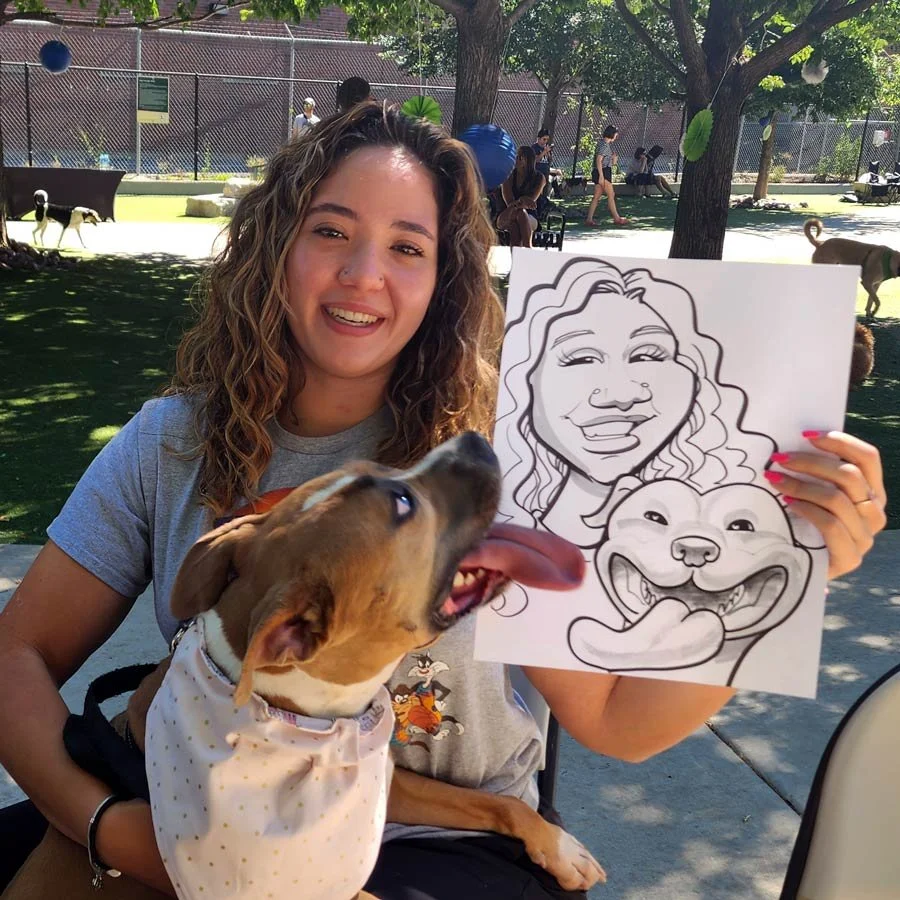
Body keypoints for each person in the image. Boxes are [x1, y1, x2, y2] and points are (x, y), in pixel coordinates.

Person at [0, 102, 887, 900]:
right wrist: (104, 826)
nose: (363, 274)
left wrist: (783, 576)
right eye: (330, 230)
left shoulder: (514, 454)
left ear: (443, 276)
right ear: (276, 247)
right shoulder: (172, 442)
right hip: (187, 807)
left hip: (444, 844)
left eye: (407, 247)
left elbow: (621, 723)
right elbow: (16, 654)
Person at [495, 145, 547, 249]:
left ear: (526, 160)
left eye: (519, 157)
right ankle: (528, 249)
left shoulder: (539, 178)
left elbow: (530, 204)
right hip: (508, 213)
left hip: (530, 217)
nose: (516, 159)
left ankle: (520, 254)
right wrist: (521, 200)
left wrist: (520, 203)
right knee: (519, 214)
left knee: (516, 222)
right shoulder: (509, 176)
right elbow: (510, 203)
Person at [585, 124, 630, 227]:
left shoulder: (602, 144)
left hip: (602, 171)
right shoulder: (604, 145)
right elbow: (598, 160)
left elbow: (609, 163)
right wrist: (601, 176)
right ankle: (617, 218)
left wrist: (613, 159)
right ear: (612, 134)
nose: (616, 136)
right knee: (611, 194)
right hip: (603, 172)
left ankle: (589, 219)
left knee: (597, 196)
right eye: (616, 134)